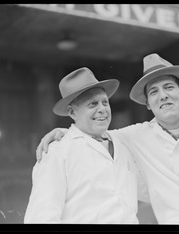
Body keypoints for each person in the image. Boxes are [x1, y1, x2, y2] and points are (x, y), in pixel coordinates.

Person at [36, 54, 179, 225]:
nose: (163, 95)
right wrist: (67, 133)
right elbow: (92, 133)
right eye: (154, 92)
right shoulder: (136, 136)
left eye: (168, 87)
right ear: (148, 104)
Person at [24, 67, 148, 224]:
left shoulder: (122, 143)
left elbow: (147, 191)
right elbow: (41, 217)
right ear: (72, 112)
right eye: (93, 104)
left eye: (105, 102)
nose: (102, 109)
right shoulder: (56, 152)